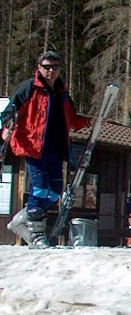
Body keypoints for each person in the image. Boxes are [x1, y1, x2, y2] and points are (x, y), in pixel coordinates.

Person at [1, 51, 90, 247]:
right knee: (40, 189)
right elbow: (9, 112)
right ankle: (35, 235)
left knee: (54, 192)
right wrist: (6, 128)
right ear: (39, 68)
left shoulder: (62, 93)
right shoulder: (29, 88)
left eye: (55, 67)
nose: (51, 71)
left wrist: (92, 122)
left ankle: (20, 219)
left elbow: (72, 119)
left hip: (56, 148)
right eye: (46, 67)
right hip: (33, 146)